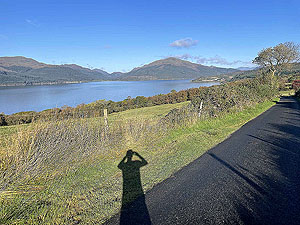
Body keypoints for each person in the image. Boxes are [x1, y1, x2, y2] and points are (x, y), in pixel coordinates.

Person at [118, 150, 151, 225]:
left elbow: (119, 165)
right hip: (137, 185)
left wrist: (125, 158)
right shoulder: (136, 163)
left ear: (127, 156)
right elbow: (145, 162)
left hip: (127, 186)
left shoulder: (124, 165)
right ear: (132, 155)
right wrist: (138, 155)